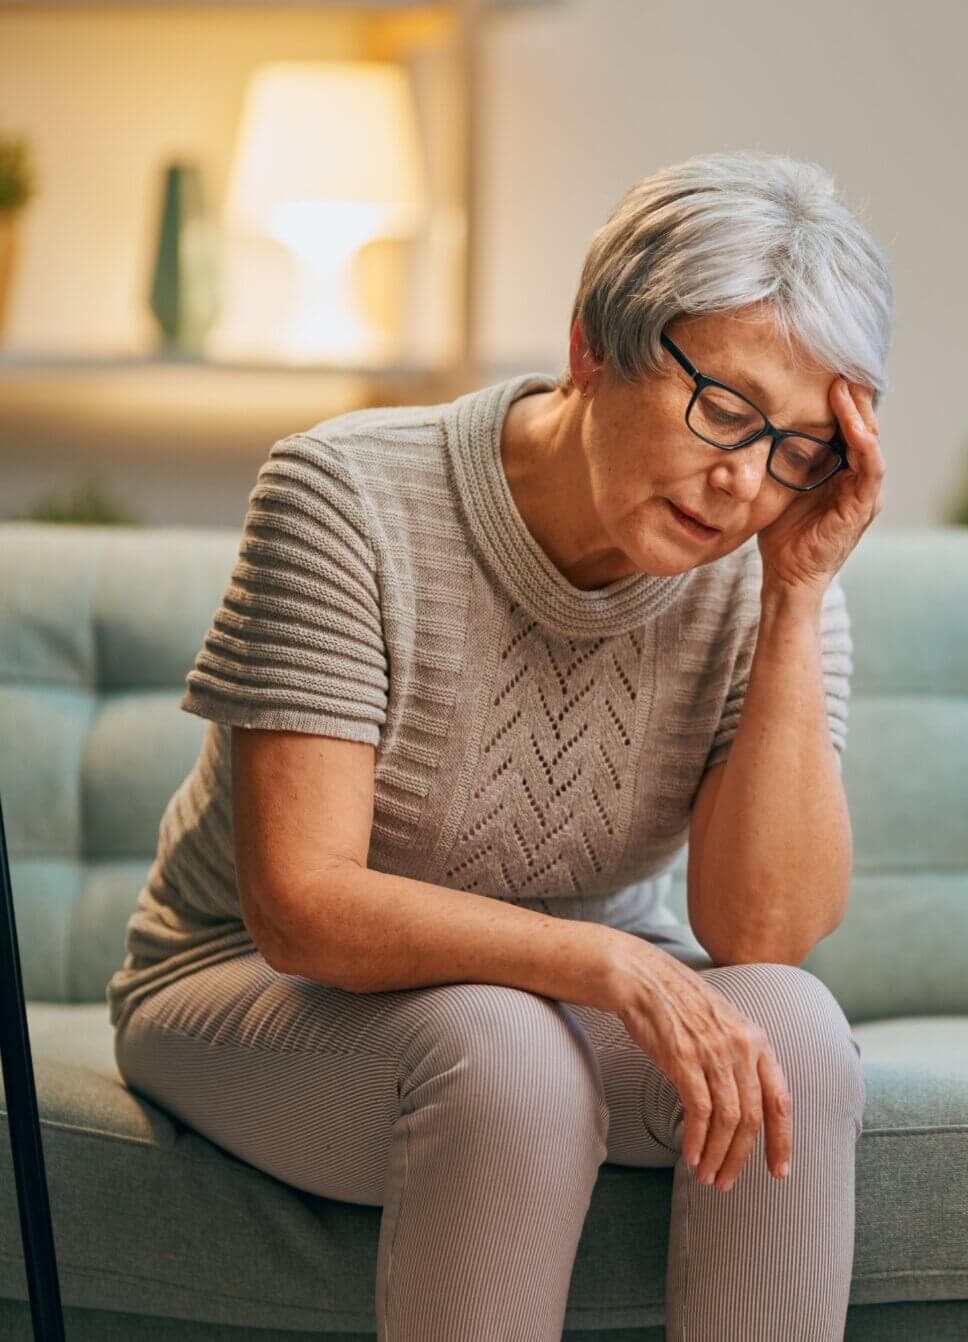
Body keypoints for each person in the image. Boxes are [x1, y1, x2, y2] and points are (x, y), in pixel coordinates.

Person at [107, 147, 891, 1341]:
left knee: (790, 1029)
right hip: (256, 985)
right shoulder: (346, 494)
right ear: (594, 344)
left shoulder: (773, 566)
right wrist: (605, 965)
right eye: (724, 407)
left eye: (795, 447)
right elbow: (300, 903)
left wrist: (791, 597)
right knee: (504, 1047)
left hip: (562, 995)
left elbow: (762, 934)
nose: (742, 480)